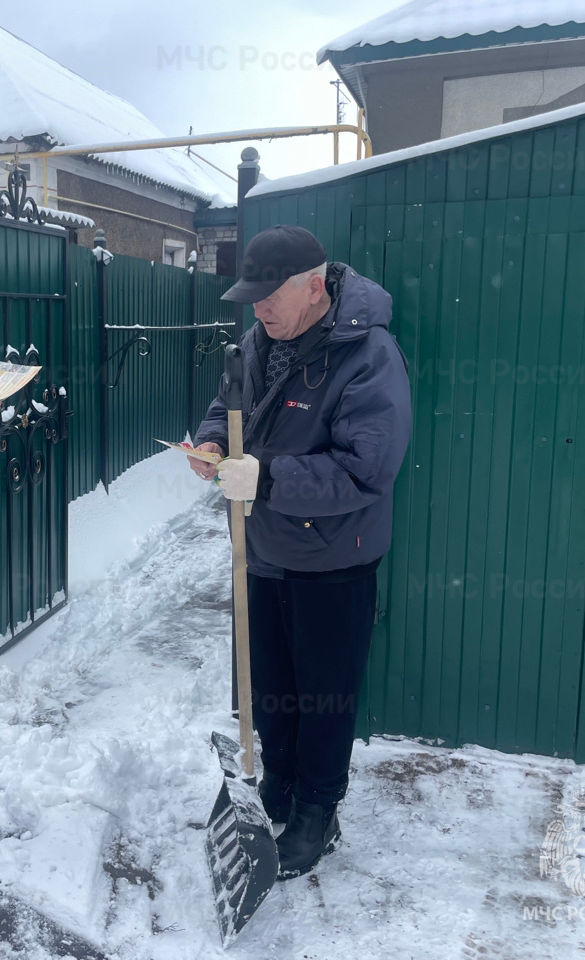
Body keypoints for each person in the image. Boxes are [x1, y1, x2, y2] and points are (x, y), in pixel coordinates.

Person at [189, 225, 411, 881]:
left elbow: (368, 469)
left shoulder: (369, 355)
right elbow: (225, 409)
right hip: (262, 548)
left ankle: (318, 809)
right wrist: (209, 443)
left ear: (315, 286)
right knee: (272, 685)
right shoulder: (260, 344)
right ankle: (278, 784)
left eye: (269, 296)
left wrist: (266, 478)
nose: (257, 309)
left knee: (323, 695)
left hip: (334, 558)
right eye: (251, 296)